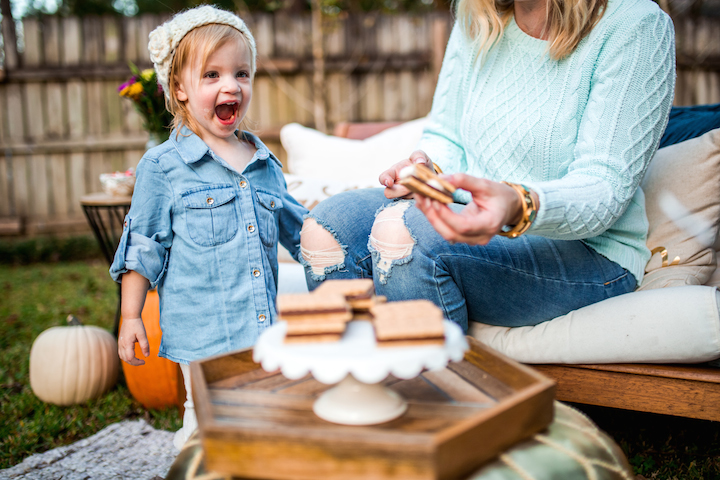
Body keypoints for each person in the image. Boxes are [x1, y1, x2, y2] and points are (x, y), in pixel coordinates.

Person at [299, 0, 675, 332]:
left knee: (403, 234)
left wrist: (517, 203)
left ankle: (436, 404)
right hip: (471, 213)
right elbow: (445, 134)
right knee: (326, 228)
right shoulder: (478, 14)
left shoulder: (636, 23)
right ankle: (362, 389)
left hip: (588, 252)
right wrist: (426, 168)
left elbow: (604, 187)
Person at [109, 6, 307, 449]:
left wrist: (343, 247)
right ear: (178, 88)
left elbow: (300, 229)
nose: (231, 85)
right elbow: (143, 245)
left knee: (262, 425)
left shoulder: (263, 163)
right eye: (212, 75)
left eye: (241, 73)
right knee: (205, 433)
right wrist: (130, 316)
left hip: (262, 331)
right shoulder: (164, 168)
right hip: (203, 341)